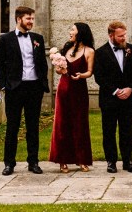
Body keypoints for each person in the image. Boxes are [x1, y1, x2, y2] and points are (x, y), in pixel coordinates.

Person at [0, 6, 49, 176]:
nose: (31, 22)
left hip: (34, 87)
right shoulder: (6, 39)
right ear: (19, 19)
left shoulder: (37, 38)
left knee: (33, 127)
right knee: (13, 126)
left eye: (32, 18)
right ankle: (9, 164)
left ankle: (33, 162)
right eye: (28, 19)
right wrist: (4, 85)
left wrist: (42, 84)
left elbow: (42, 64)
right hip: (15, 88)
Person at [94, 21, 132, 173]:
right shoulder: (100, 52)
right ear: (111, 35)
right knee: (109, 131)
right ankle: (111, 162)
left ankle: (128, 161)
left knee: (126, 131)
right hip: (109, 99)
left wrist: (130, 88)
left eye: (124, 35)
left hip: (128, 98)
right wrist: (115, 91)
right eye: (120, 36)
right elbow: (99, 77)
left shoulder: (131, 49)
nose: (123, 38)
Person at [49, 22, 95, 173]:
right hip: (64, 89)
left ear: (80, 32)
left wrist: (82, 75)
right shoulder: (66, 49)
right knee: (63, 124)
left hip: (79, 90)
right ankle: (63, 160)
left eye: (72, 30)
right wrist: (59, 69)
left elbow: (90, 72)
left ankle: (82, 160)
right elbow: (58, 71)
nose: (70, 32)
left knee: (80, 124)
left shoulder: (89, 51)